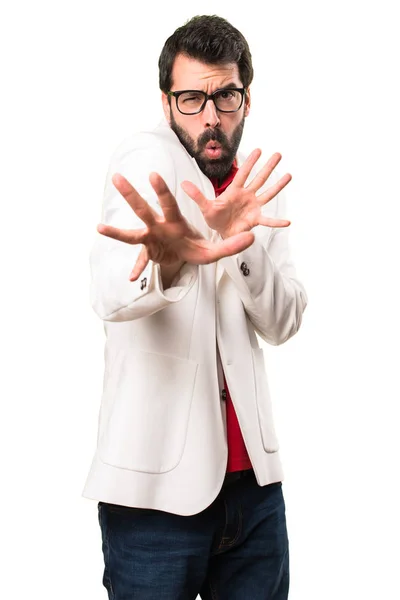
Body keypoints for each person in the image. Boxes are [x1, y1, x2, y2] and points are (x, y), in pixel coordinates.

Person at [82, 14, 307, 600]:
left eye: (224, 96)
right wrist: (171, 261)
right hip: (154, 498)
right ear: (166, 103)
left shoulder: (260, 186)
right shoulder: (142, 163)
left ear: (246, 99)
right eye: (191, 99)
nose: (210, 116)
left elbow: (284, 323)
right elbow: (107, 293)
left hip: (255, 492)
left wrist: (243, 249)